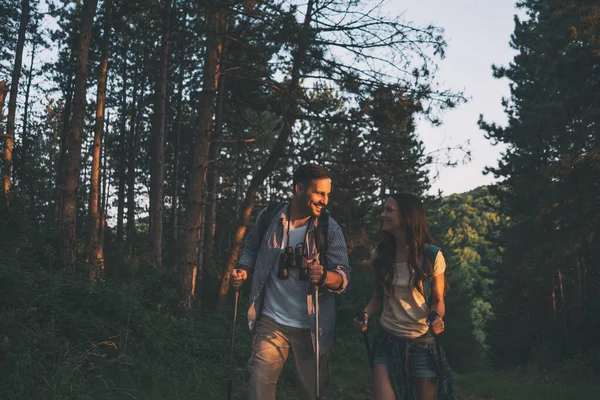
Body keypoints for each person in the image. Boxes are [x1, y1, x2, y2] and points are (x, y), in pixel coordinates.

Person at [231, 163, 351, 400]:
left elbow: (344, 275)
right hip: (271, 320)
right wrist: (243, 270)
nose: (325, 200)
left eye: (327, 194)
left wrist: (325, 276)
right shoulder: (269, 217)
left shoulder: (329, 228)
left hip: (312, 327)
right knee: (259, 384)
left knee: (310, 393)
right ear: (299, 189)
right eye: (319, 193)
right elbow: (250, 249)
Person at [353, 193, 455, 400]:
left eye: (389, 210)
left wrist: (437, 317)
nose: (382, 214)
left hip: (422, 342)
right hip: (386, 339)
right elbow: (378, 296)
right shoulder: (379, 255)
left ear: (407, 217)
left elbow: (438, 299)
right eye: (383, 209)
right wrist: (364, 315)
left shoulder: (432, 256)